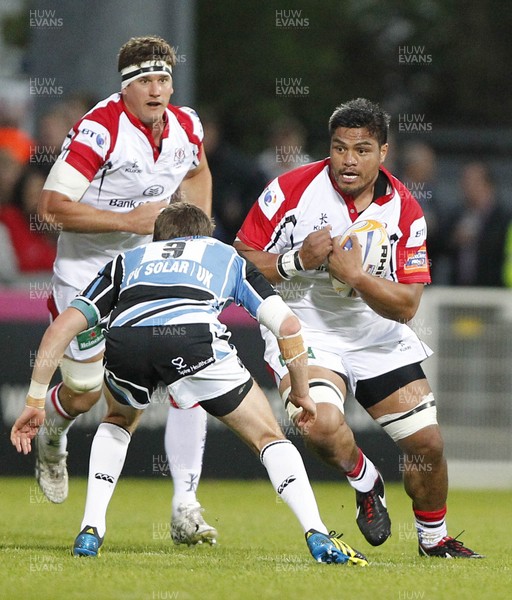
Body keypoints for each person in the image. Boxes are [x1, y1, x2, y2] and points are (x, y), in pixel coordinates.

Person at [11, 202, 368, 566]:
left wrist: (36, 400)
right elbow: (289, 327)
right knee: (268, 437)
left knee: (119, 420)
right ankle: (317, 533)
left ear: (158, 238)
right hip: (193, 340)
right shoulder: (222, 254)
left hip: (125, 340)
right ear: (204, 234)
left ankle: (90, 529)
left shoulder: (129, 259)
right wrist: (303, 394)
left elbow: (62, 328)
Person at [234, 98, 483, 558]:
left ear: (383, 152)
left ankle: (434, 539)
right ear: (328, 148)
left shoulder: (405, 210)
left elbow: (407, 306)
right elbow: (240, 259)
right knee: (322, 426)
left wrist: (358, 278)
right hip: (305, 329)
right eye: (340, 148)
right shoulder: (289, 190)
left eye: (362, 149)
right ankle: (366, 482)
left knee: (427, 443)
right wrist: (294, 261)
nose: (349, 160)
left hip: (375, 335)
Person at [33, 35, 216, 545]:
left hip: (147, 272)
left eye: (163, 80)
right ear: (125, 88)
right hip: (86, 274)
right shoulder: (100, 128)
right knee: (86, 391)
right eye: (144, 82)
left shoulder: (187, 126)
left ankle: (185, 505)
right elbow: (50, 205)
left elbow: (198, 171)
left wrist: (197, 235)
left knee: (186, 380)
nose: (156, 91)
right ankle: (53, 433)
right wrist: (128, 218)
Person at [444, 161, 512, 287]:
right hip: (457, 291)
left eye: (472, 182)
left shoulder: (504, 217)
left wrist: (478, 237)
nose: (466, 186)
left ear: (488, 185)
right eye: (464, 181)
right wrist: (454, 239)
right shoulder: (456, 215)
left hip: (493, 290)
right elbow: (440, 246)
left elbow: (502, 247)